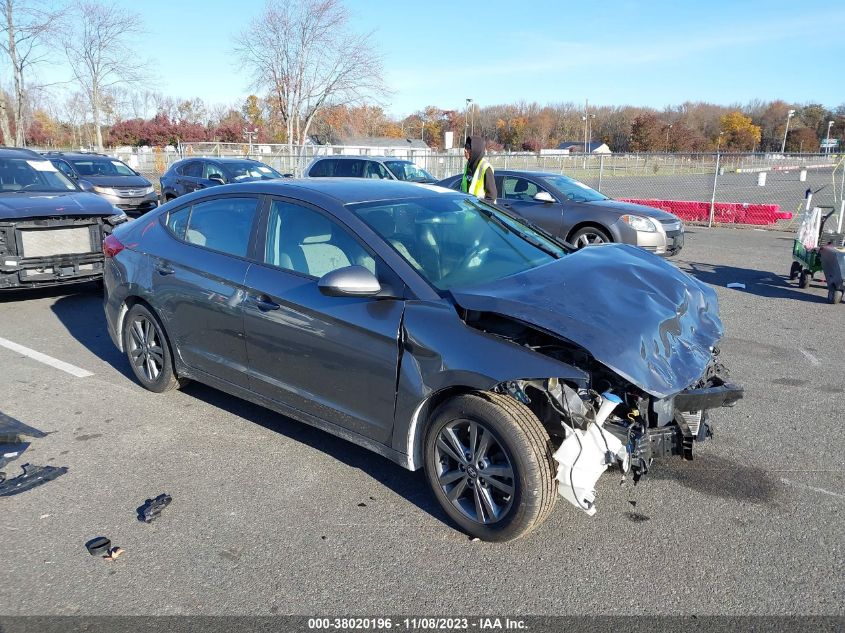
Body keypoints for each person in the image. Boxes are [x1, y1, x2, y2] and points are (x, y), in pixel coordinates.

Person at [460, 135, 497, 202]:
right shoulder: (467, 165)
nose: (465, 151)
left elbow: (491, 196)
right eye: (465, 148)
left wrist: (481, 209)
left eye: (468, 148)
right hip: (467, 210)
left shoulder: (485, 167)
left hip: (480, 211)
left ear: (475, 150)